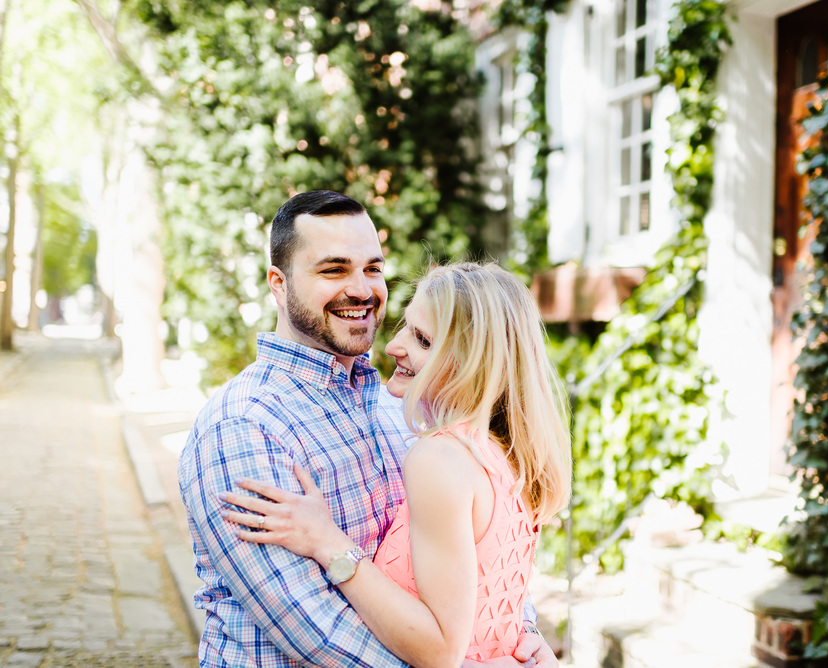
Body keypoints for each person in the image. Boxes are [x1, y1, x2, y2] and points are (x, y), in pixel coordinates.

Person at [178, 190, 558, 667]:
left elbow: (469, 562)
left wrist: (518, 635)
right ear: (279, 283)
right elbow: (315, 630)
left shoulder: (398, 409)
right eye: (334, 269)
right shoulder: (244, 425)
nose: (361, 289)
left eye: (372, 268)